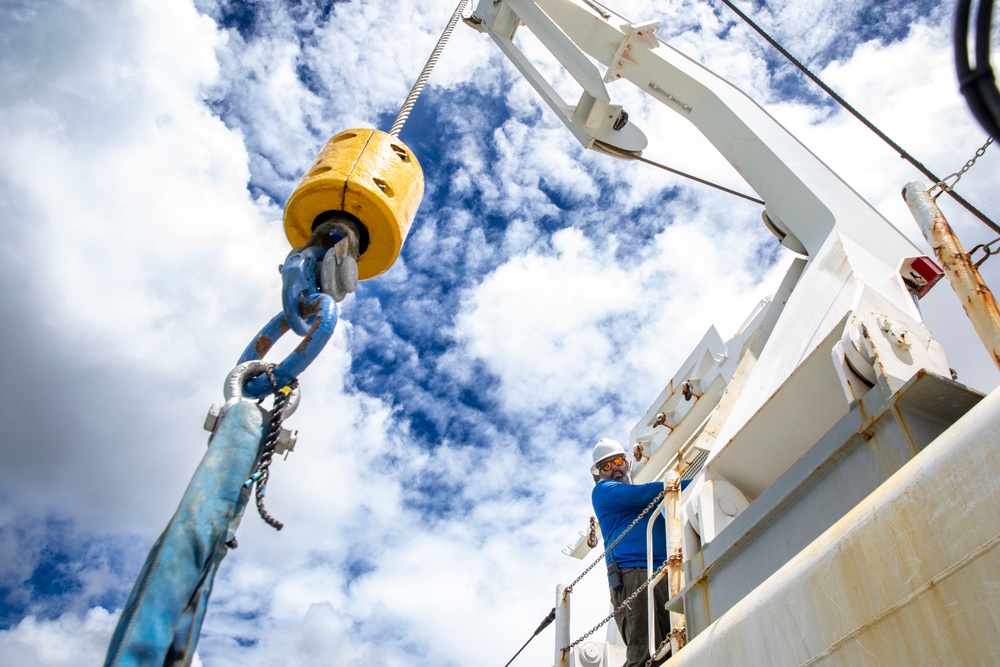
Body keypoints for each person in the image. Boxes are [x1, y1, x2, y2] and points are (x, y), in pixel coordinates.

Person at [591, 438, 671, 667]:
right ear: (599, 473)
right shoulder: (603, 492)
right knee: (644, 653)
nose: (614, 468)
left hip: (663, 572)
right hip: (632, 575)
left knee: (673, 644)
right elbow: (645, 494)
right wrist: (692, 479)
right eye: (606, 466)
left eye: (617, 461)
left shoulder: (635, 496)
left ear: (626, 463)